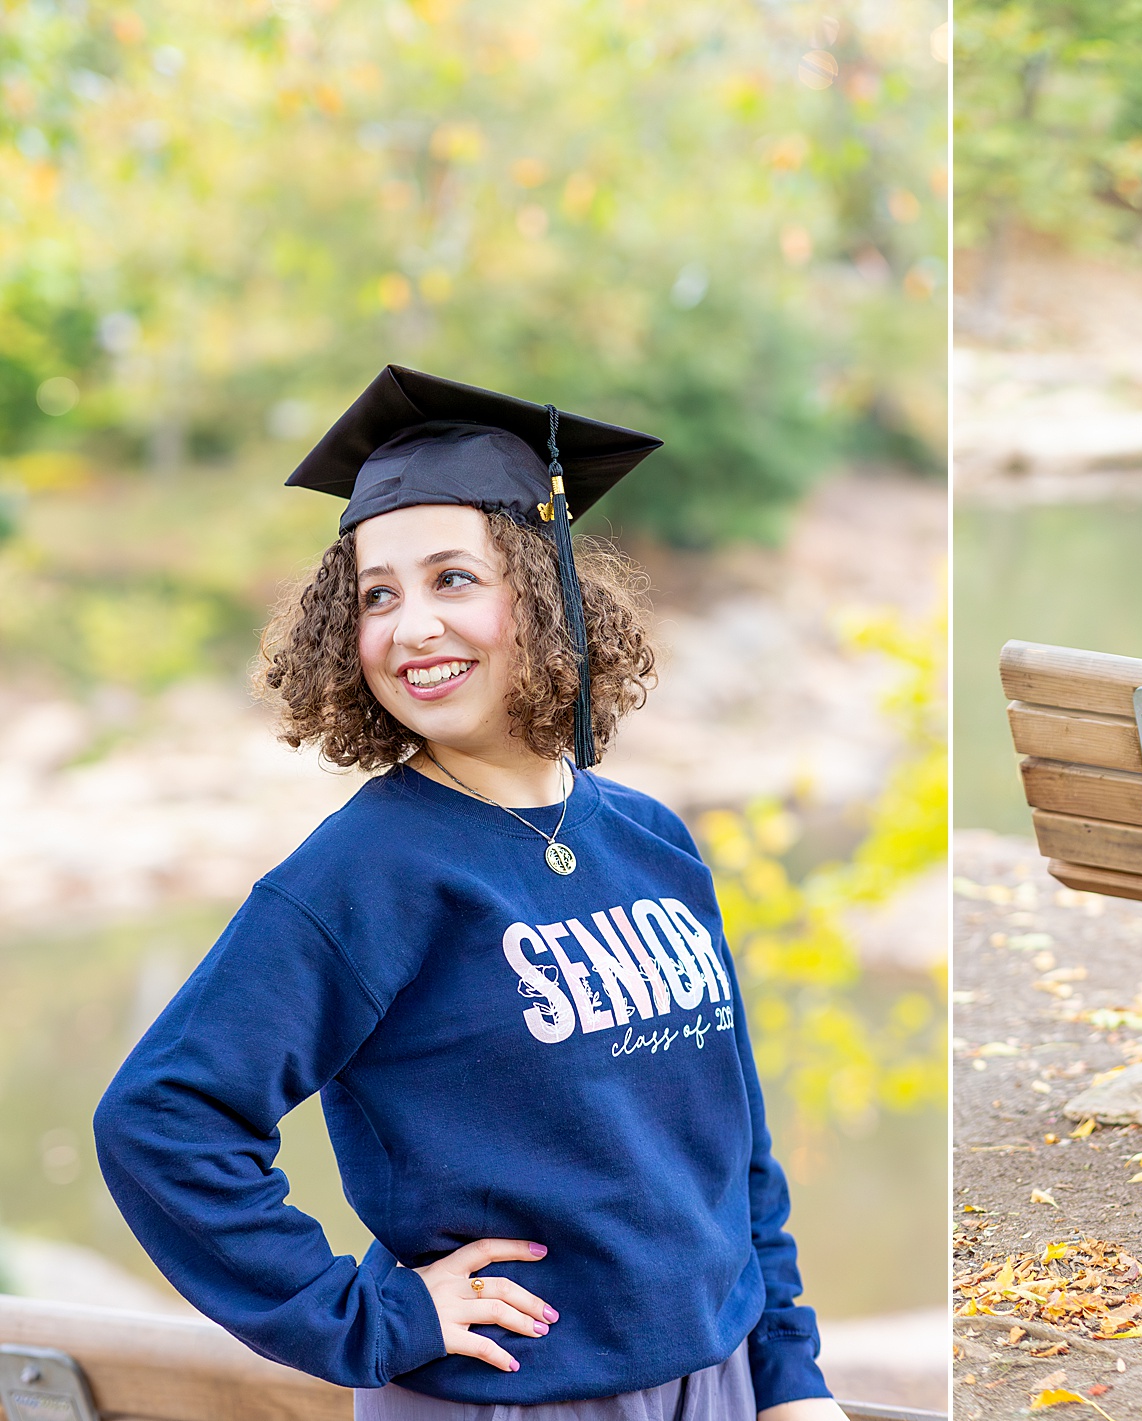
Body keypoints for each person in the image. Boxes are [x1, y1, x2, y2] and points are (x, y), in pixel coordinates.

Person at [92, 366, 847, 1421]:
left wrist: (787, 1370)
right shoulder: (369, 870)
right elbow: (163, 1116)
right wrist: (367, 1314)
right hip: (511, 1398)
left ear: (544, 596)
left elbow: (730, 1142)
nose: (410, 627)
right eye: (377, 594)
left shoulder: (652, 838)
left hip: (712, 1381)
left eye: (454, 578)